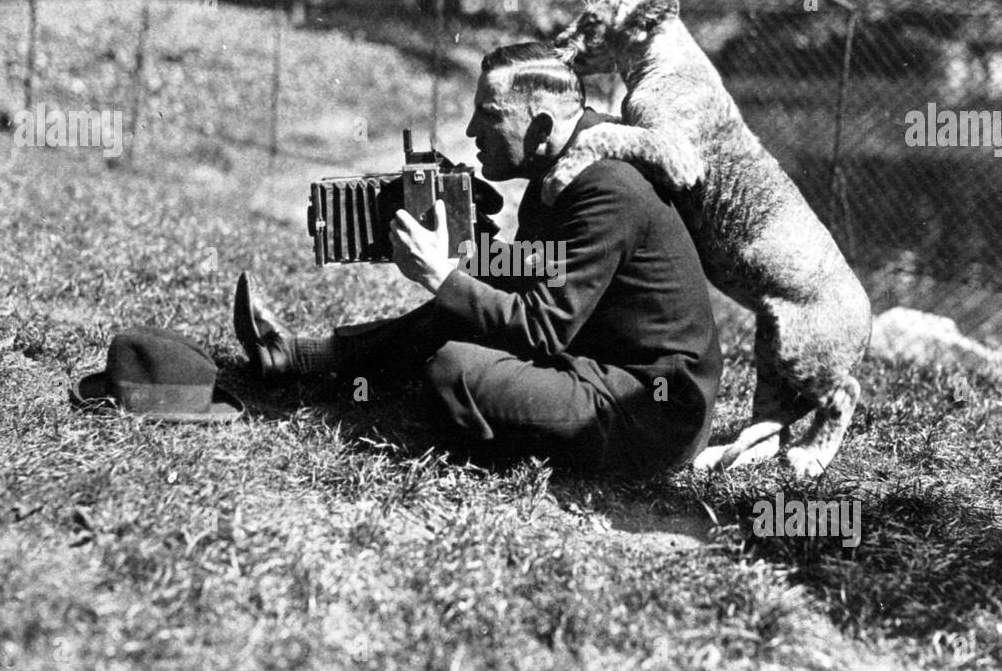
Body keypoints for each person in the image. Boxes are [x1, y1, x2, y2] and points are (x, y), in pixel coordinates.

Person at [234, 41, 723, 474]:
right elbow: (534, 275)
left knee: (454, 369)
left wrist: (442, 276)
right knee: (458, 312)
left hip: (651, 409)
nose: (470, 131)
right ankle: (302, 358)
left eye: (488, 115)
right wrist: (471, 252)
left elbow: (542, 330)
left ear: (541, 126)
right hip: (600, 361)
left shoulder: (607, 188)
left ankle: (474, 431)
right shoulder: (562, 170)